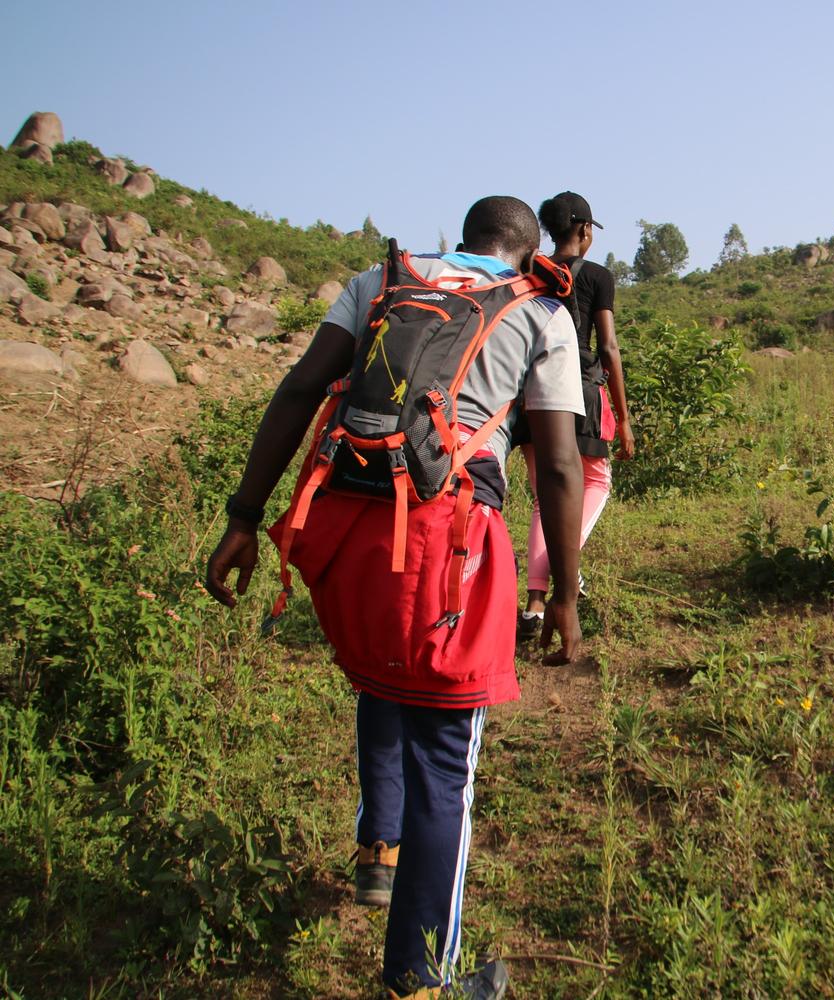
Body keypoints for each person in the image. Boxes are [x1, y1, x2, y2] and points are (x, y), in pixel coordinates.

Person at [204, 196, 584, 1000]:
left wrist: (243, 518)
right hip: (449, 543)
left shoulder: (381, 281)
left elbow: (300, 389)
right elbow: (557, 464)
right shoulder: (541, 310)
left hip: (345, 532)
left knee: (380, 674)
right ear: (526, 254)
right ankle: (419, 980)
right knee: (446, 765)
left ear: (464, 239)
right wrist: (564, 594)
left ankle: (379, 850)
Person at [513, 192, 635, 642]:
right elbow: (608, 347)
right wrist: (624, 418)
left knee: (545, 498)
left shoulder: (528, 272)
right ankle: (559, 574)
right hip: (578, 391)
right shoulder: (598, 276)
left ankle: (533, 605)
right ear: (584, 230)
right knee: (596, 482)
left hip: (528, 395)